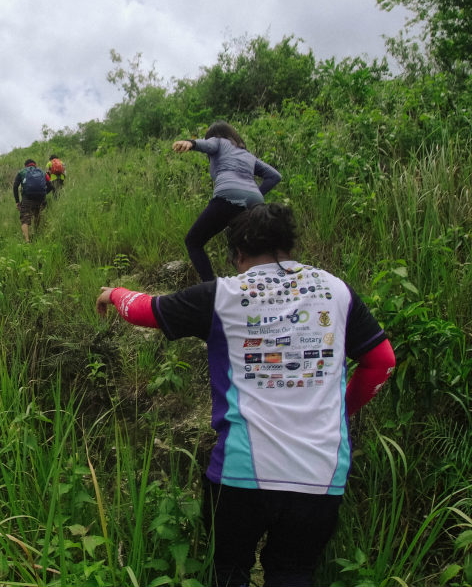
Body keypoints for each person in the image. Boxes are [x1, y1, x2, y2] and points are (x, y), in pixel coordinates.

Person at [96, 203, 395, 587]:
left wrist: (113, 292)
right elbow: (382, 361)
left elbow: (145, 309)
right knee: (293, 573)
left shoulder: (224, 294)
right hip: (320, 476)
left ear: (238, 254)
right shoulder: (336, 291)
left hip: (241, 476)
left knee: (229, 572)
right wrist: (343, 413)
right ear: (289, 246)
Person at [173, 121, 282, 282]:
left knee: (193, 242)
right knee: (243, 247)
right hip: (254, 204)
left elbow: (208, 145)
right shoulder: (247, 155)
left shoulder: (219, 141)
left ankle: (211, 292)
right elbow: (274, 176)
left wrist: (191, 142)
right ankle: (257, 285)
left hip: (227, 196)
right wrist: (254, 193)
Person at [13, 159, 54, 242]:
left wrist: (17, 201)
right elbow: (51, 186)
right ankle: (37, 234)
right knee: (37, 215)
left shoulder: (22, 172)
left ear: (26, 165)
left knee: (25, 218)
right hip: (40, 198)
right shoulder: (42, 172)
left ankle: (27, 241)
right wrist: (44, 193)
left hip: (27, 198)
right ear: (35, 165)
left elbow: (15, 186)